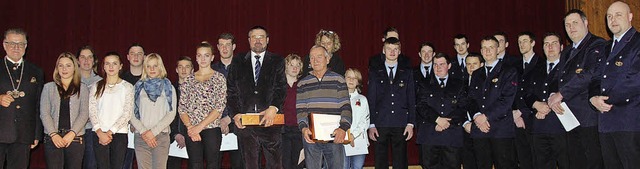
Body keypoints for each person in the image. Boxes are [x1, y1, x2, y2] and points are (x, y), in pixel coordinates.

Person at [564, 2, 640, 168]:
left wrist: (604, 99)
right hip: (605, 124)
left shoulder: (637, 43)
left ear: (630, 17)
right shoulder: (606, 47)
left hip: (629, 122)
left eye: (618, 15)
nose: (613, 20)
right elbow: (596, 77)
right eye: (609, 17)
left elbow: (634, 81)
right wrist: (592, 97)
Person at [547, 9, 606, 169]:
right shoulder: (566, 51)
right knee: (575, 161)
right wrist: (553, 94)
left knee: (592, 162)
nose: (571, 28)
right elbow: (555, 77)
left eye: (575, 23)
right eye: (567, 25)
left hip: (588, 117)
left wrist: (561, 94)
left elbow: (588, 75)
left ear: (586, 23)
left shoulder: (597, 44)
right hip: (569, 118)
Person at [227, 26, 286, 169]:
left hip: (271, 121)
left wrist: (273, 108)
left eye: (261, 37)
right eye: (254, 37)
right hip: (245, 123)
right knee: (250, 165)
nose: (258, 40)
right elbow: (231, 90)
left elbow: (281, 88)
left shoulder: (277, 60)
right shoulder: (238, 60)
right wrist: (235, 114)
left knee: (275, 165)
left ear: (267, 40)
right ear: (249, 40)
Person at [468, 36, 519, 169]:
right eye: (484, 48)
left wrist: (485, 117)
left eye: (491, 47)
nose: (487, 51)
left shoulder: (509, 71)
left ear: (498, 49)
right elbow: (471, 99)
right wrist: (476, 116)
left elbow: (506, 100)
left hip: (500, 130)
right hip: (479, 129)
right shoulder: (476, 74)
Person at [297, 45, 351, 169]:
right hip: (311, 136)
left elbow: (346, 107)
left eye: (319, 57)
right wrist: (304, 129)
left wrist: (343, 128)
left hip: (335, 135)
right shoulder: (302, 83)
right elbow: (300, 110)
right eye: (312, 57)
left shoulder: (339, 80)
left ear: (327, 59)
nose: (315, 60)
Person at [367, 37, 415, 169]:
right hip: (380, 122)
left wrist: (411, 123)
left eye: (395, 49)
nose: (392, 52)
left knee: (400, 162)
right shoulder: (375, 72)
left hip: (401, 122)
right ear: (383, 50)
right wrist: (371, 124)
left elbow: (411, 99)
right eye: (389, 49)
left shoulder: (407, 72)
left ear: (400, 51)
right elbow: (371, 99)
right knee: (380, 161)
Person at [0, 28, 44, 169]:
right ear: (4, 45)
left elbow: (38, 105)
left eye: (20, 44)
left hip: (23, 134)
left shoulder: (36, 71)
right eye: (12, 43)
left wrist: (36, 133)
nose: (16, 47)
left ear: (26, 46)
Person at [416, 54, 468, 169]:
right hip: (430, 134)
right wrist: (437, 120)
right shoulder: (424, 83)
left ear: (449, 66)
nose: (438, 67)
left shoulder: (459, 84)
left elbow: (463, 107)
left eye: (442, 64)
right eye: (435, 64)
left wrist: (446, 122)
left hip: (451, 134)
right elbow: (421, 105)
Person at [179, 42, 227, 169]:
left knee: (213, 164)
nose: (203, 59)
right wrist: (190, 127)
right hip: (191, 129)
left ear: (212, 57)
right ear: (196, 58)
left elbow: (219, 107)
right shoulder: (188, 80)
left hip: (211, 128)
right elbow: (182, 108)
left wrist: (199, 127)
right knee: (195, 165)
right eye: (199, 55)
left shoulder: (219, 78)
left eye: (206, 55)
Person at [524, 33, 568, 169]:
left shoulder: (568, 67)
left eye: (554, 43)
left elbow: (571, 89)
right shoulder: (535, 69)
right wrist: (536, 105)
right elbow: (527, 93)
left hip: (562, 125)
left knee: (566, 163)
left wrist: (546, 107)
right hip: (539, 126)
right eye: (546, 44)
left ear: (561, 46)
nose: (550, 47)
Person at [40, 52, 89, 169]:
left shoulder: (83, 88)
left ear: (74, 68)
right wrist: (54, 134)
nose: (64, 69)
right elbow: (44, 113)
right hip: (52, 138)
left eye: (68, 65)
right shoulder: (48, 87)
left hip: (75, 138)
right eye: (60, 65)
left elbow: (84, 113)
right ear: (57, 68)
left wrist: (71, 134)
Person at [129, 53, 176, 169]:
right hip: (141, 136)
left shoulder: (169, 87)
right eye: (149, 66)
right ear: (145, 68)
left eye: (155, 66)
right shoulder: (137, 87)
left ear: (160, 67)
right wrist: (145, 132)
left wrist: (153, 132)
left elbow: (171, 114)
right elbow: (131, 114)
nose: (152, 69)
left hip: (161, 136)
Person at [89, 52, 134, 169]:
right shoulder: (96, 86)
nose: (111, 67)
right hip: (99, 134)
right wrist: (99, 132)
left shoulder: (128, 87)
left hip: (119, 134)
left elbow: (127, 113)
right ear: (103, 66)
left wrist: (110, 132)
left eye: (114, 63)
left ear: (120, 66)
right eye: (107, 64)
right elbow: (92, 110)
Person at [213, 33, 244, 169]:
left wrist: (228, 118)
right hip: (214, 123)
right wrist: (218, 119)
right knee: (213, 163)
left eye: (228, 45)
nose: (225, 48)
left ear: (234, 47)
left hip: (237, 122)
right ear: (218, 47)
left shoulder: (243, 69)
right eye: (222, 45)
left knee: (238, 163)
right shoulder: (211, 70)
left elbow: (245, 97)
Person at [513, 31, 541, 169]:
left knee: (538, 157)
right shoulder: (515, 66)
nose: (521, 44)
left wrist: (522, 112)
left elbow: (539, 92)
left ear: (533, 43)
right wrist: (515, 112)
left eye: (525, 41)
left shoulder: (541, 63)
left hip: (535, 116)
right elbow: (512, 92)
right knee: (523, 158)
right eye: (519, 42)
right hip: (518, 119)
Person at [77, 45, 102, 169]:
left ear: (94, 60)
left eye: (89, 57)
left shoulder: (102, 82)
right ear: (77, 60)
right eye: (83, 57)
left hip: (93, 130)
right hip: (74, 130)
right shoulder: (70, 81)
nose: (86, 61)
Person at [122, 43, 145, 169]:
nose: (136, 56)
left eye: (139, 53)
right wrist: (131, 122)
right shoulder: (121, 79)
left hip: (147, 128)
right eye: (132, 53)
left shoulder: (151, 79)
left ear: (144, 57)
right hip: (125, 129)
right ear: (128, 57)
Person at [167, 56, 192, 169]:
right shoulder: (169, 90)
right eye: (180, 67)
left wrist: (190, 134)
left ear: (192, 70)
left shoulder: (198, 90)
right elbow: (166, 115)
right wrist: (176, 134)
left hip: (194, 136)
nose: (183, 70)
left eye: (187, 67)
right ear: (176, 69)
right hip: (173, 137)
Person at [343, 68, 370, 169]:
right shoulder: (338, 99)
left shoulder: (362, 99)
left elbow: (365, 121)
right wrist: (346, 136)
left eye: (354, 78)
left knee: (357, 167)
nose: (351, 80)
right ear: (344, 79)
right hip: (342, 140)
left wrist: (353, 135)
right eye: (348, 77)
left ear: (358, 81)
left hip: (358, 140)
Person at [460, 53, 483, 169]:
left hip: (483, 128)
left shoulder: (487, 84)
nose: (471, 67)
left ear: (482, 65)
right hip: (465, 129)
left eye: (475, 64)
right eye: (468, 64)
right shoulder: (461, 84)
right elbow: (458, 107)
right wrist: (465, 123)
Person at [281, 54, 304, 169]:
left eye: (298, 65)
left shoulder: (303, 86)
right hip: (282, 130)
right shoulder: (278, 86)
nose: (295, 68)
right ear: (285, 66)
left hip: (299, 130)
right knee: (284, 164)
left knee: (297, 164)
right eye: (291, 65)